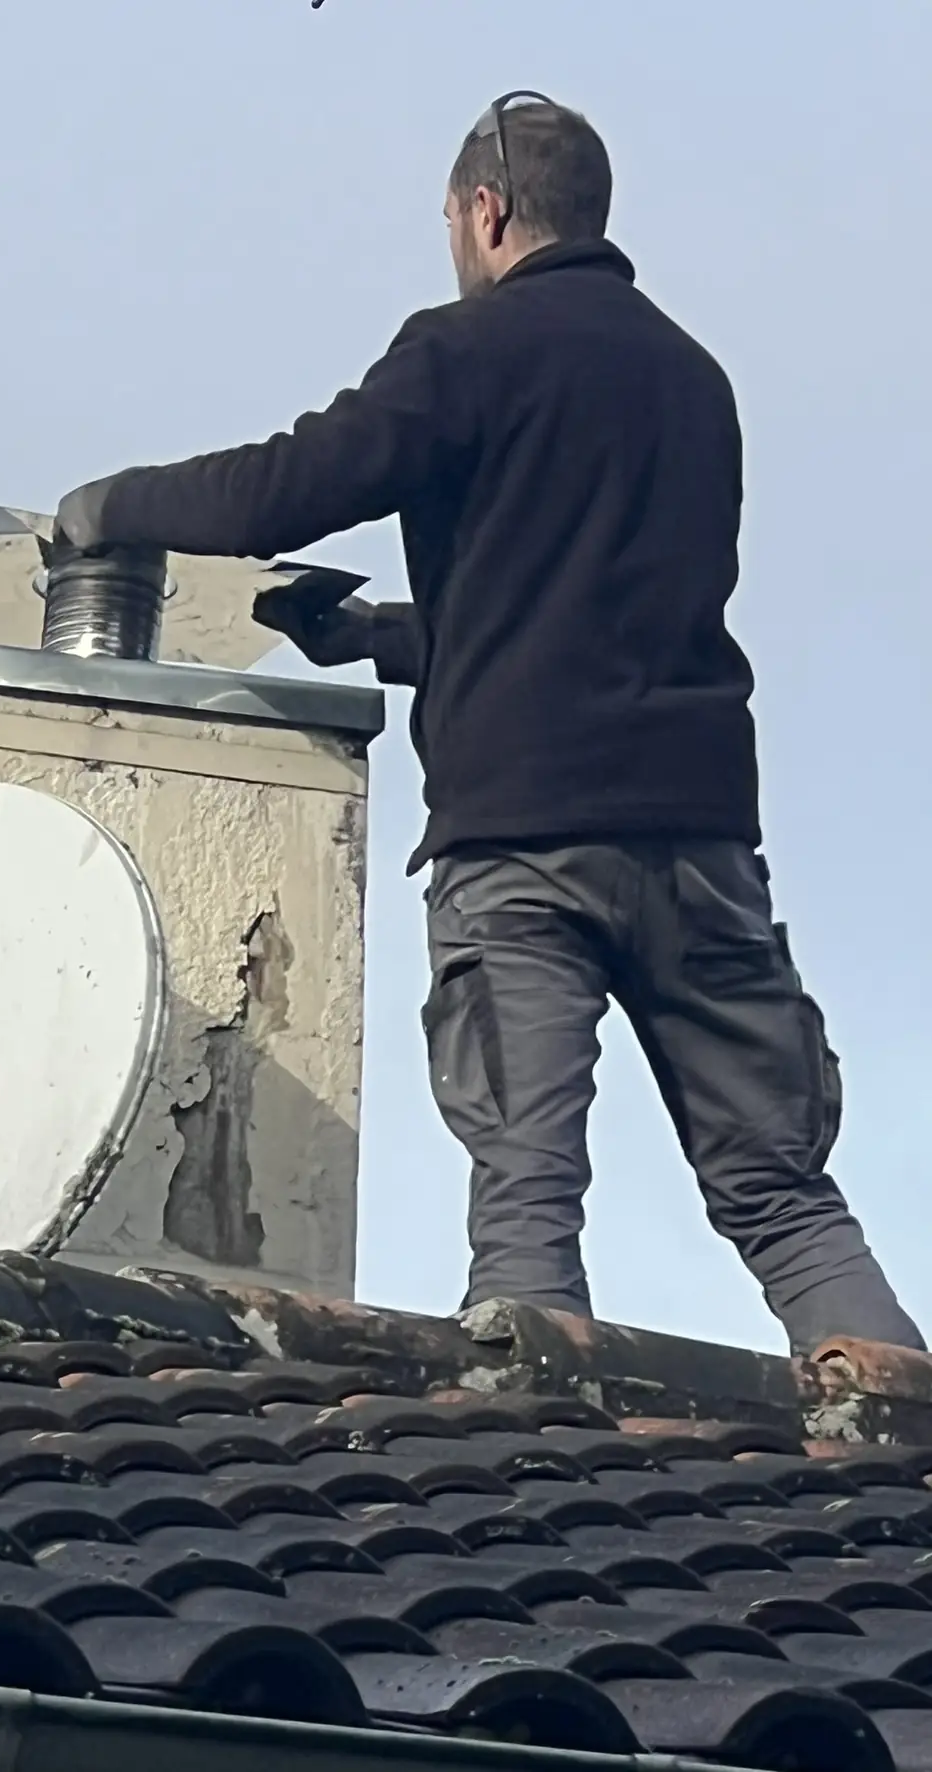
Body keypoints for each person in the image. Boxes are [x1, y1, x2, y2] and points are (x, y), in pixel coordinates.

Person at [53, 93, 922, 1355]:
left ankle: (536, 1464)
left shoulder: (464, 350)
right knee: (783, 1196)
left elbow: (288, 485)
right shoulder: (693, 380)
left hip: (524, 847)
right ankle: (897, 1441)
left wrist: (110, 505)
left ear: (485, 210)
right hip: (698, 847)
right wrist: (376, 637)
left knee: (526, 1206)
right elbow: (590, 616)